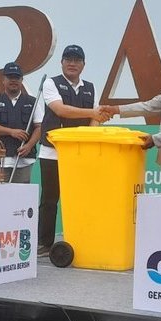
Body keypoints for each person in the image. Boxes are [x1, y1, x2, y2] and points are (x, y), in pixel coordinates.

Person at [36, 45, 110, 256]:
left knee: (81, 198)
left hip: (79, 154)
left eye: (77, 60)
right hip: (53, 152)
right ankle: (45, 243)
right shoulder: (52, 83)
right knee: (50, 199)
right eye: (68, 59)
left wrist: (92, 132)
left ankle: (81, 238)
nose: (72, 63)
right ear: (61, 62)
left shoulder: (91, 87)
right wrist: (94, 112)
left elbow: (95, 120)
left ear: (83, 65)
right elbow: (60, 109)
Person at [0, 62, 43, 183]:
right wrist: (11, 132)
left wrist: (29, 145)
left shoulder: (32, 102)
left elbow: (39, 127)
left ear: (22, 80)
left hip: (24, 160)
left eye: (17, 78)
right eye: (10, 77)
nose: (13, 80)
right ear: (3, 80)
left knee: (21, 197)